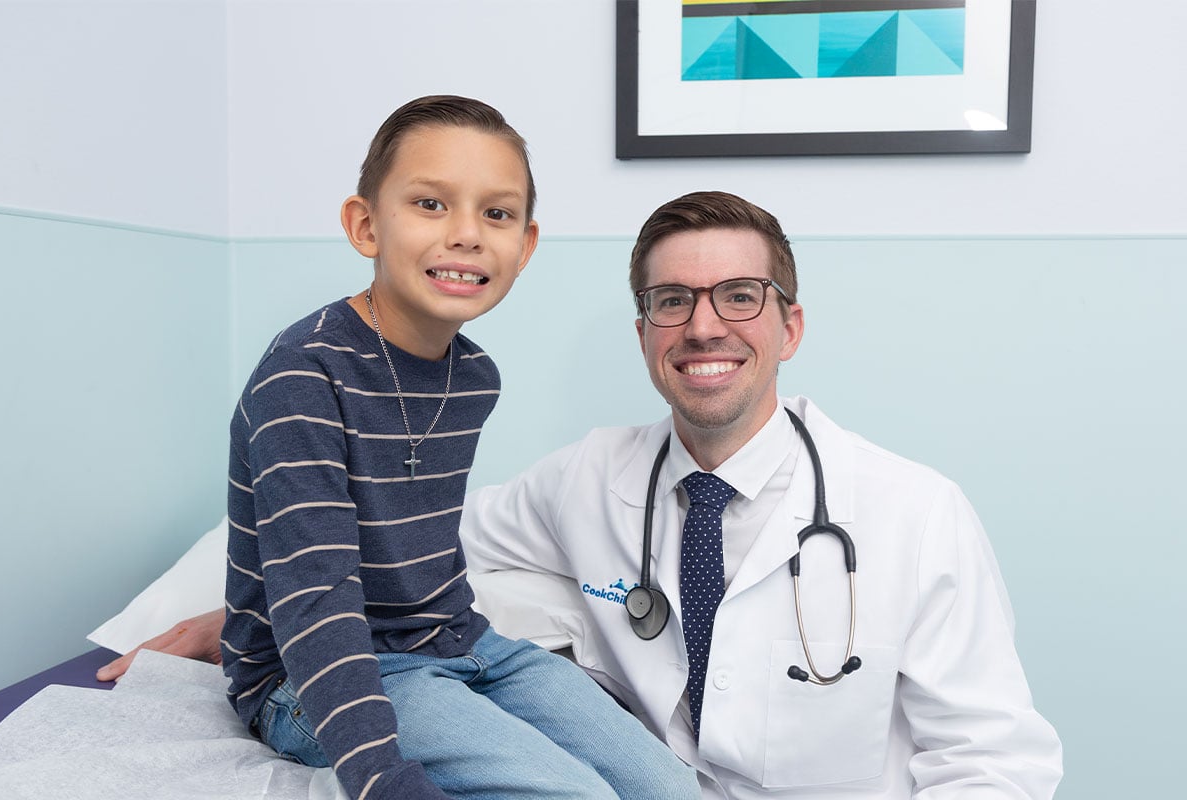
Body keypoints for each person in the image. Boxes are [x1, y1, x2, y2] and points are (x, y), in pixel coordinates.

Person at [101, 190, 1063, 798]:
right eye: (670, 301)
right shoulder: (590, 476)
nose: (703, 325)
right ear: (644, 332)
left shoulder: (913, 511)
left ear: (789, 326)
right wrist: (235, 614)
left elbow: (994, 761)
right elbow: (402, 544)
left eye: (739, 296)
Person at [199, 95, 700, 800]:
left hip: (463, 642)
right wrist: (385, 781)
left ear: (525, 245)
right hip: (315, 676)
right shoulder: (302, 377)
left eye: (495, 214)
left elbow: (413, 550)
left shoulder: (473, 377)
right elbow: (317, 603)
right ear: (365, 225)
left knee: (672, 789)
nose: (465, 234)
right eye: (431, 204)